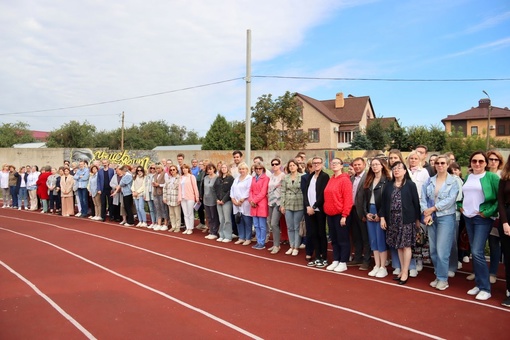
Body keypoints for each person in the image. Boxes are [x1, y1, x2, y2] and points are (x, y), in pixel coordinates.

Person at [460, 151, 499, 301]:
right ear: (470, 163)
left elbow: (498, 199)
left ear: (486, 163)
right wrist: (460, 207)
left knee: (476, 251)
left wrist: (487, 212)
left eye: (481, 161)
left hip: (482, 219)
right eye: (474, 161)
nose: (477, 164)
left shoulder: (492, 177)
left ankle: (485, 288)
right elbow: (463, 196)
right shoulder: (468, 177)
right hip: (468, 217)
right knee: (475, 252)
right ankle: (479, 283)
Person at [421, 155, 460, 291]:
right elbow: (423, 198)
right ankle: (438, 276)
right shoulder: (429, 181)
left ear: (448, 164)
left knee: (442, 250)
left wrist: (433, 209)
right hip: (431, 217)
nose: (440, 165)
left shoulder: (453, 181)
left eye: (443, 163)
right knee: (433, 250)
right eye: (437, 163)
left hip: (446, 217)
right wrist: (426, 212)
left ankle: (443, 279)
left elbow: (450, 200)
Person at [380, 161, 421, 285]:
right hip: (392, 219)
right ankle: (403, 269)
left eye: (399, 168)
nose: (396, 170)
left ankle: (405, 272)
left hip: (407, 219)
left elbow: (416, 204)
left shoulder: (410, 185)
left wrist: (417, 219)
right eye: (394, 168)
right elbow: (383, 203)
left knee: (406, 245)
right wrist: (382, 217)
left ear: (405, 171)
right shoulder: (388, 185)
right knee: (398, 245)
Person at [363, 157, 391, 278]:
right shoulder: (369, 180)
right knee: (373, 240)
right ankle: (376, 265)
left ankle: (383, 267)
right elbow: (364, 199)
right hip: (370, 210)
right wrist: (366, 213)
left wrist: (381, 214)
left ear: (382, 166)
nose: (374, 166)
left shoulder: (387, 181)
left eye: (377, 164)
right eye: (372, 165)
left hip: (381, 212)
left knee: (381, 240)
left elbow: (388, 200)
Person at [323, 158, 353, 273]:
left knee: (343, 239)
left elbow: (348, 199)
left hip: (340, 214)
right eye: (332, 163)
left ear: (341, 166)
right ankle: (336, 259)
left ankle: (343, 261)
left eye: (336, 163)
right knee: (334, 239)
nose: (334, 165)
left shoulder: (345, 180)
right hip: (330, 214)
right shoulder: (331, 179)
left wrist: (345, 215)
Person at [407, 150, 430, 275]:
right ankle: (410, 263)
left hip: (420, 206)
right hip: (407, 207)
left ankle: (419, 259)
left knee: (420, 235)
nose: (413, 161)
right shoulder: (406, 171)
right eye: (411, 158)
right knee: (409, 235)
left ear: (420, 160)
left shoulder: (424, 172)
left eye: (416, 158)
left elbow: (426, 190)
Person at [304, 156, 330, 268]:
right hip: (310, 210)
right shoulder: (310, 176)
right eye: (314, 163)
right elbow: (305, 193)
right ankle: (317, 256)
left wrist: (314, 206)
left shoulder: (325, 176)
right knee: (313, 233)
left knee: (321, 233)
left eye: (318, 163)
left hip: (319, 210)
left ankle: (324, 257)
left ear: (322, 163)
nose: (316, 165)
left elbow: (322, 195)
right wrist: (307, 206)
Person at [347, 157, 371, 270]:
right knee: (356, 236)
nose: (357, 167)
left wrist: (366, 213)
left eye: (359, 165)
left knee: (365, 237)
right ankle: (357, 257)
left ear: (364, 165)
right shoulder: (352, 178)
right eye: (355, 165)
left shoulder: (367, 178)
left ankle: (366, 260)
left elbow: (367, 197)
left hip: (362, 211)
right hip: (352, 211)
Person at [280, 159, 304, 256]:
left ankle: (296, 247)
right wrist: (282, 205)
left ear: (297, 166)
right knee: (290, 227)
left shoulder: (302, 177)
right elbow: (283, 192)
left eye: (294, 165)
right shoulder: (286, 178)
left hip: (299, 203)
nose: (292, 167)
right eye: (290, 165)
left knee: (297, 227)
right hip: (288, 204)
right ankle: (291, 245)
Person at [486, 150, 503, 284]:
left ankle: (493, 272)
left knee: (493, 244)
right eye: (490, 159)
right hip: (480, 215)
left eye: (496, 160)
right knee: (478, 246)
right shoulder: (480, 174)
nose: (493, 162)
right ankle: (479, 271)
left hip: (496, 216)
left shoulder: (502, 176)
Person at [497, 154, 510, 307]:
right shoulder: (504, 178)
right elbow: (500, 201)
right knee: (508, 258)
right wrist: (505, 223)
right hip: (507, 219)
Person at [249, 161, 270, 250]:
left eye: (260, 168)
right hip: (253, 204)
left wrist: (254, 200)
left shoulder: (266, 178)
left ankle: (262, 242)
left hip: (261, 203)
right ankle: (258, 241)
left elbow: (263, 192)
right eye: (256, 168)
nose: (258, 170)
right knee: (256, 225)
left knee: (262, 225)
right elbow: (250, 190)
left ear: (263, 169)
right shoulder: (253, 178)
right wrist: (251, 200)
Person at [231, 162, 253, 246]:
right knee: (239, 221)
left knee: (247, 221)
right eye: (240, 169)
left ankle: (248, 238)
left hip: (245, 203)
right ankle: (241, 237)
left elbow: (249, 190)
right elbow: (232, 189)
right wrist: (233, 199)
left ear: (247, 170)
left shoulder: (249, 178)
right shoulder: (236, 178)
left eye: (243, 169)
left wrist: (242, 199)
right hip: (236, 203)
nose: (241, 170)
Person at [268, 158, 285, 253]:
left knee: (274, 223)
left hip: (278, 203)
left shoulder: (283, 176)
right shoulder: (271, 176)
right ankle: (275, 243)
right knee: (272, 223)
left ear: (280, 165)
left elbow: (284, 190)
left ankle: (277, 245)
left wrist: (282, 204)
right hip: (270, 202)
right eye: (273, 164)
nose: (274, 166)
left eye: (276, 164)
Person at [214, 163, 234, 242]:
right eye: (222, 167)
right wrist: (217, 199)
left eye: (225, 167)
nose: (223, 168)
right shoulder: (218, 178)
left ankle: (228, 236)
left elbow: (231, 191)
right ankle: (221, 235)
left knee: (227, 219)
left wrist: (223, 200)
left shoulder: (230, 178)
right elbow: (214, 189)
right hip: (218, 202)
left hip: (227, 202)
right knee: (221, 219)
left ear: (228, 168)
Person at [180, 164, 199, 235]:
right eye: (183, 168)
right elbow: (179, 188)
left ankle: (191, 228)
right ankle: (187, 227)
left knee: (190, 213)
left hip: (190, 197)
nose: (184, 170)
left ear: (188, 169)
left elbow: (195, 187)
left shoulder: (191, 177)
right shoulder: (181, 177)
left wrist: (197, 197)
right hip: (183, 197)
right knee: (185, 213)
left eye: (186, 168)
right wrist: (179, 197)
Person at [203, 164, 219, 240]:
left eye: (211, 169)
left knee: (214, 216)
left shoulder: (217, 178)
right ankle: (211, 231)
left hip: (213, 200)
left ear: (214, 169)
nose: (209, 171)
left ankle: (215, 232)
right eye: (208, 169)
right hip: (206, 199)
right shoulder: (205, 178)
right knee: (209, 217)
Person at [163, 164, 182, 233]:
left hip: (176, 198)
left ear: (176, 170)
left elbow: (180, 189)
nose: (172, 171)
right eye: (171, 170)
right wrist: (164, 197)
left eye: (174, 169)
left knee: (177, 214)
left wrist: (180, 198)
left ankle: (177, 227)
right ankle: (173, 226)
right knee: (171, 214)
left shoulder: (180, 178)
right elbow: (165, 188)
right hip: (169, 198)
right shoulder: (169, 179)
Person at [152, 164, 168, 230]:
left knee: (163, 208)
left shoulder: (165, 174)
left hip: (162, 193)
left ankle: (165, 223)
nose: (158, 169)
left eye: (159, 168)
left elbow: (167, 184)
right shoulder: (155, 175)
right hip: (155, 193)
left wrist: (159, 185)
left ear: (162, 168)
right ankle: (159, 223)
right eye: (157, 168)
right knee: (157, 208)